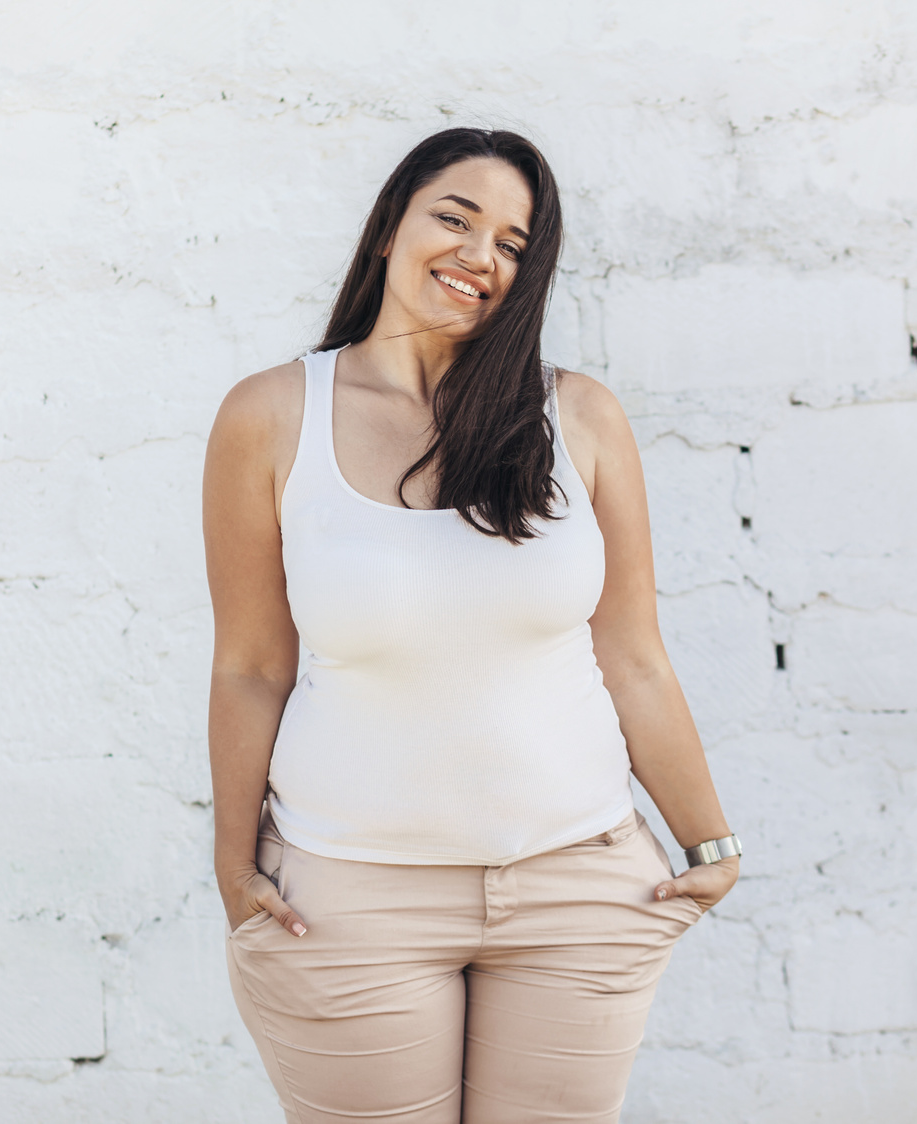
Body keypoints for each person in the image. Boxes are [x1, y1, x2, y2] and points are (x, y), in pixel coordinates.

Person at [201, 127, 740, 1124]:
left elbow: (631, 653)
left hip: (578, 886)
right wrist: (235, 867)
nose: (477, 253)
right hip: (348, 898)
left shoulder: (576, 417)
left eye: (511, 243)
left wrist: (708, 839)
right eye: (454, 217)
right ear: (388, 229)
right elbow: (248, 665)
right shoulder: (272, 416)